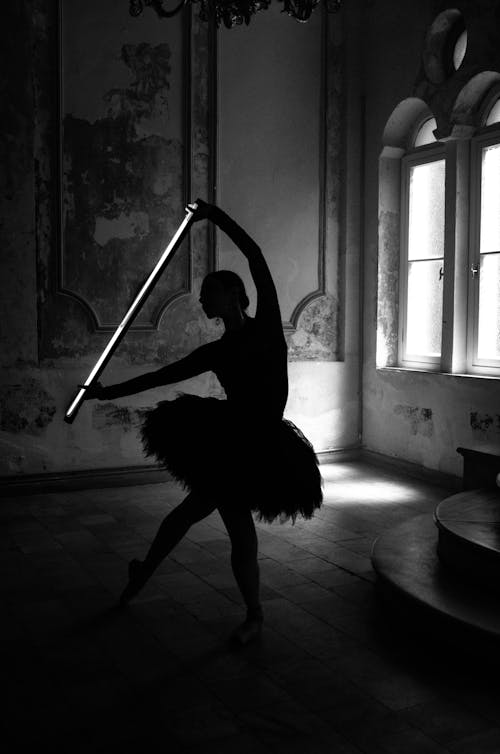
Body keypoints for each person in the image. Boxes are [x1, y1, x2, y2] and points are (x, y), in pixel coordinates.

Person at [83, 200, 322, 644]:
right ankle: (165, 583)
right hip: (231, 440)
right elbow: (162, 375)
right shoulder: (215, 351)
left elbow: (255, 257)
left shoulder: (267, 326)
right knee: (198, 516)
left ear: (232, 294)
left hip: (261, 443)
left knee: (205, 518)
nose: (200, 299)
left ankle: (248, 613)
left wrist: (217, 217)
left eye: (208, 291)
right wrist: (106, 393)